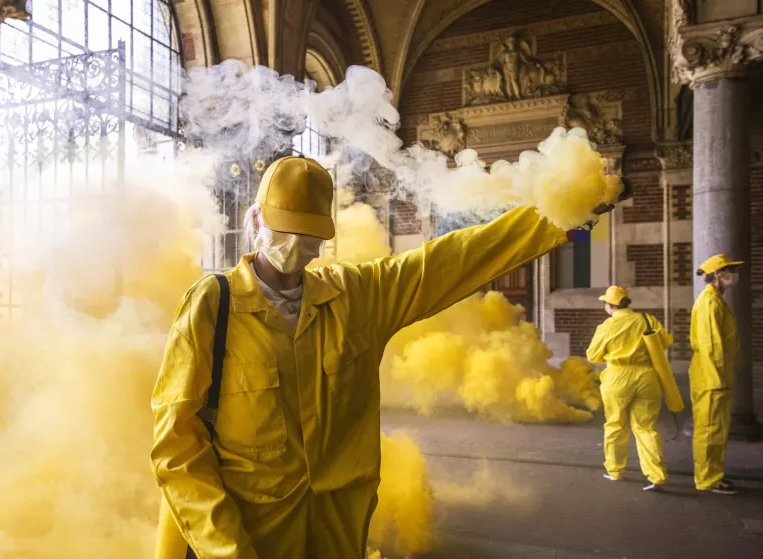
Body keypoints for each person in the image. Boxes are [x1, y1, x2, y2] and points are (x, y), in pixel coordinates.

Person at [151, 155, 619, 559]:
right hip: (246, 536)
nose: (296, 246)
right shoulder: (213, 305)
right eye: (283, 229)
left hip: (336, 531)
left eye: (308, 234)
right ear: (255, 220)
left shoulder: (356, 296)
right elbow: (177, 448)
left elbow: (451, 260)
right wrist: (226, 549)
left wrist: (561, 214)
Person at [586, 286, 671, 491]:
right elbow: (665, 343)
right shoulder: (648, 320)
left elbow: (593, 356)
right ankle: (656, 476)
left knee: (615, 425)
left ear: (610, 305)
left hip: (617, 378)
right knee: (646, 427)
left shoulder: (606, 326)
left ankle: (615, 471)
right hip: (646, 376)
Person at [690, 254, 742, 495]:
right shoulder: (709, 302)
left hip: (717, 376)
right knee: (709, 429)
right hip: (712, 378)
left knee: (716, 428)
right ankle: (707, 479)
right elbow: (711, 344)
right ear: (718, 274)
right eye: (730, 269)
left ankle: (714, 474)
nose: (734, 274)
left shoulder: (715, 300)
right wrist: (717, 379)